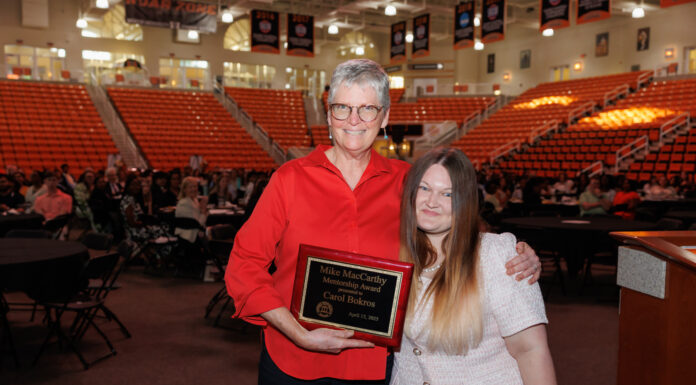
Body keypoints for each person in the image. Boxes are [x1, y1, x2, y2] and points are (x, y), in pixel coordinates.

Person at [225, 59, 542, 384]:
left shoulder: (407, 181)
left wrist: (514, 252)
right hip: (292, 361)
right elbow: (244, 266)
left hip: (375, 365)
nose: (353, 120)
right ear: (328, 113)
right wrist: (299, 334)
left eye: (367, 109)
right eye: (342, 108)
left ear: (385, 116)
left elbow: (456, 231)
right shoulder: (289, 179)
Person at [392, 148, 555, 385]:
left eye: (447, 194)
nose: (431, 202)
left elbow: (530, 350)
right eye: (424, 188)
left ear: (463, 202)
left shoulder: (495, 255)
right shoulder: (395, 255)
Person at [174, 176, 208, 243]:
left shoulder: (194, 200)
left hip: (197, 234)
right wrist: (203, 211)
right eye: (190, 187)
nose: (194, 189)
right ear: (184, 189)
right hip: (188, 237)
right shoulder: (184, 203)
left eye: (195, 186)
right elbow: (197, 223)